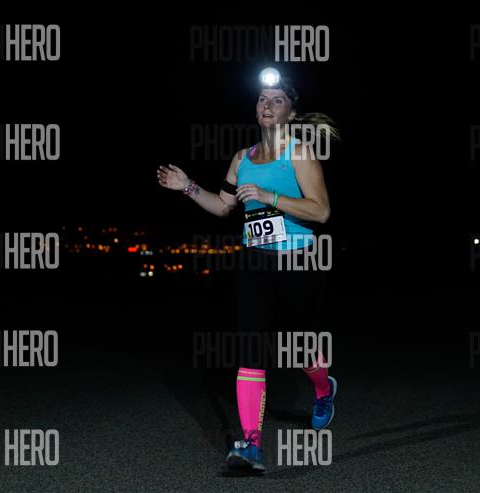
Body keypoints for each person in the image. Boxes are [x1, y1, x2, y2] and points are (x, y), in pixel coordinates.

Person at [157, 71, 338, 472]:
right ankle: (251, 444)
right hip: (255, 260)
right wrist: (188, 187)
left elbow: (321, 211)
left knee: (300, 344)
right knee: (250, 347)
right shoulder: (242, 158)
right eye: (262, 99)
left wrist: (269, 196)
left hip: (298, 260)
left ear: (291, 113)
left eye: (277, 100)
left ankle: (323, 388)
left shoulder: (300, 153)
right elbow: (223, 206)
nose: (267, 106)